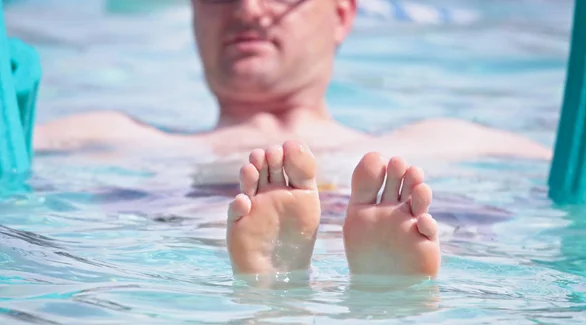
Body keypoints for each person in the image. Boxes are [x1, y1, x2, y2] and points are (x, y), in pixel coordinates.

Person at [33, 0, 552, 280]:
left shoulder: (440, 140)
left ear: (342, 16)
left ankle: (293, 286)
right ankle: (382, 292)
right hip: (187, 222)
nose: (249, 8)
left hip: (177, 258)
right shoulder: (114, 134)